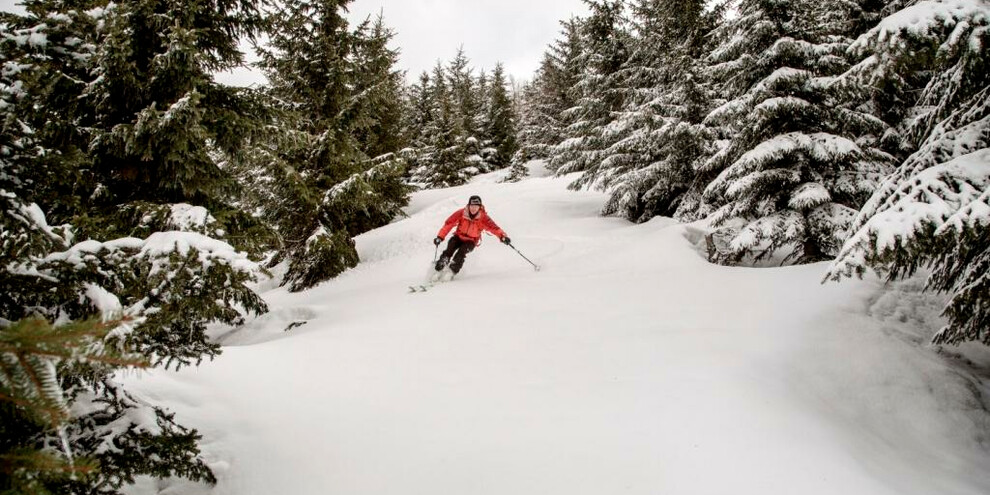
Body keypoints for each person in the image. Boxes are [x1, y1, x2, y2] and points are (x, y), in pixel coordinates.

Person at [433, 195, 510, 274]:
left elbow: (494, 228)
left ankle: (451, 271)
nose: (473, 208)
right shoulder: (462, 213)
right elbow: (449, 224)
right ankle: (439, 268)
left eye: (476, 206)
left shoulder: (483, 218)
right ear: (468, 205)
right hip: (458, 237)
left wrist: (503, 236)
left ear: (479, 207)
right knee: (450, 247)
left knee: (461, 253)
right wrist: (440, 237)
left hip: (471, 241)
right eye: (472, 206)